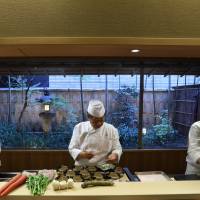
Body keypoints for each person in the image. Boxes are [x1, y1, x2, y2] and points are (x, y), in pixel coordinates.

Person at [68, 100, 122, 166]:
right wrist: (82, 154)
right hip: (83, 167)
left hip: (104, 167)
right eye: (95, 121)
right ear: (88, 117)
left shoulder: (111, 129)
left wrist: (115, 154)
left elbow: (117, 148)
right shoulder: (79, 127)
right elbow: (72, 148)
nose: (99, 123)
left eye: (101, 120)